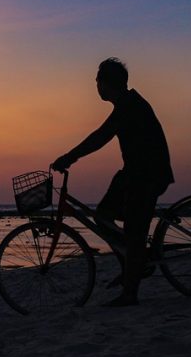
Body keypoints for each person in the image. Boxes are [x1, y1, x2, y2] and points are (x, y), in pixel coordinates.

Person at [51, 57, 173, 307]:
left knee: (134, 232)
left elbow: (100, 137)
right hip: (134, 173)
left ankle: (131, 290)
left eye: (98, 81)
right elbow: (101, 136)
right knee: (104, 216)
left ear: (108, 83)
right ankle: (132, 265)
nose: (96, 86)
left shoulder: (129, 106)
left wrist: (69, 157)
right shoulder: (126, 105)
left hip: (146, 175)